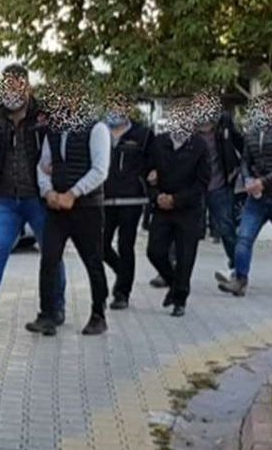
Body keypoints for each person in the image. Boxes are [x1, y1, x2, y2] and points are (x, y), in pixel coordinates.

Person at [0, 65, 65, 328]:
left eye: (17, 86)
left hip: (38, 196)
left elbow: (59, 146)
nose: (12, 92)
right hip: (6, 197)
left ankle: (56, 307)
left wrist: (58, 173)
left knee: (51, 253)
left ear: (27, 87)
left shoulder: (43, 115)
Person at [28, 84, 110, 337]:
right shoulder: (54, 131)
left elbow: (100, 170)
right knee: (49, 259)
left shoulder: (96, 129)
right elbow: (42, 166)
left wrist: (73, 193)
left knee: (93, 261)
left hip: (86, 207)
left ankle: (98, 314)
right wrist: (48, 192)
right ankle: (47, 314)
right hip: (56, 207)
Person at [218, 92, 272, 297]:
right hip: (256, 198)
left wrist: (263, 182)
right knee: (244, 237)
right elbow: (245, 161)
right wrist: (248, 179)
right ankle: (240, 279)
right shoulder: (253, 132)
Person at [145, 100, 210, 317]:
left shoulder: (199, 146)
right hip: (162, 207)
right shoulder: (159, 143)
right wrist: (157, 196)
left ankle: (180, 299)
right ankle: (173, 284)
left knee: (185, 256)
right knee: (154, 251)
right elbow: (147, 174)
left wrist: (176, 200)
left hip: (187, 209)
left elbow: (202, 183)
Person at [185, 92, 245, 285]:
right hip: (195, 188)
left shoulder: (224, 124)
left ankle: (238, 270)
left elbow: (242, 145)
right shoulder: (188, 129)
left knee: (226, 228)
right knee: (186, 229)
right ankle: (174, 268)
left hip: (220, 186)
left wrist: (239, 170)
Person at [99, 95, 151, 310]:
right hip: (104, 198)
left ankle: (122, 293)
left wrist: (152, 177)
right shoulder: (99, 132)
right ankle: (123, 272)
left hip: (131, 198)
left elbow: (152, 161)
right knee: (100, 245)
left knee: (125, 245)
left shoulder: (142, 134)